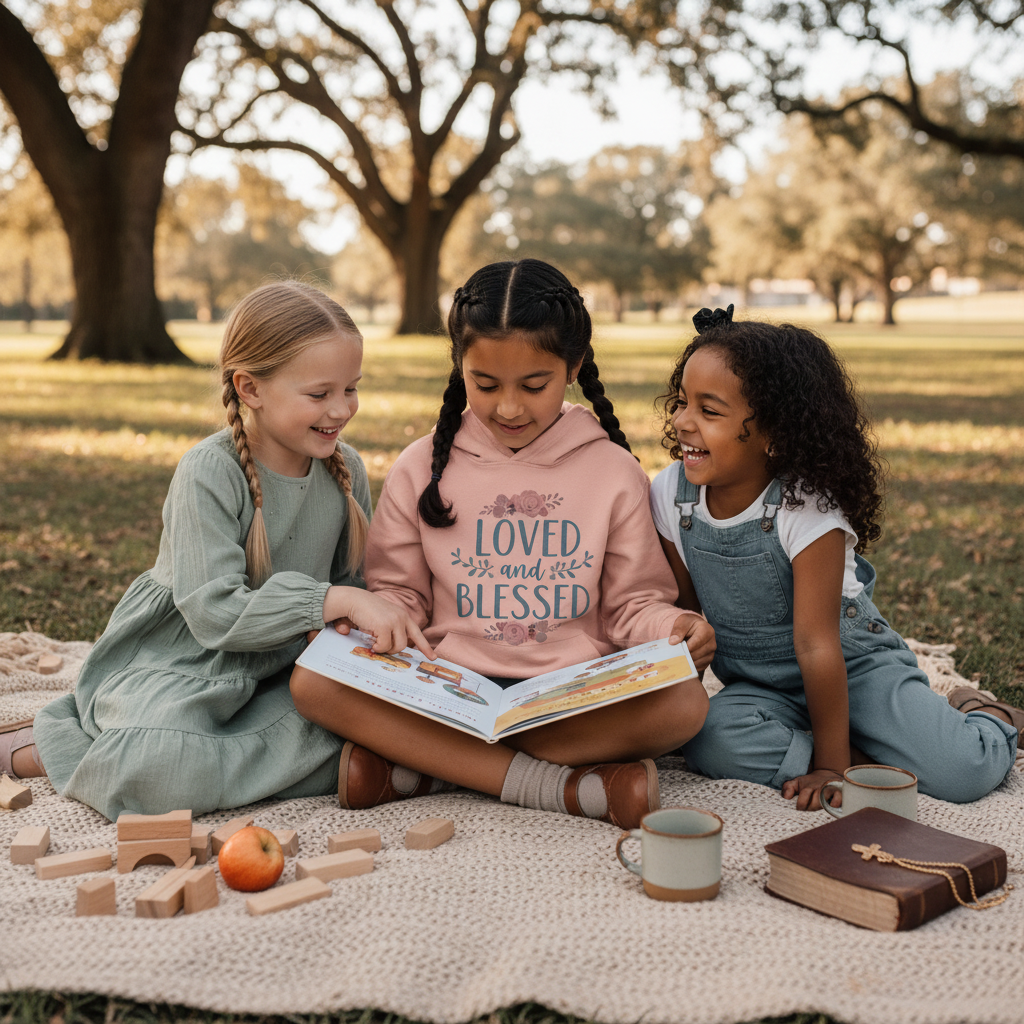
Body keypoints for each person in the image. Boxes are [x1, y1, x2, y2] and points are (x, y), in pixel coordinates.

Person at [290, 259, 714, 829]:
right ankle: (558, 787)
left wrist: (671, 629)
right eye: (484, 384)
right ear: (459, 367)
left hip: (565, 701)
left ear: (574, 368)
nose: (508, 407)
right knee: (314, 681)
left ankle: (430, 770)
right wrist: (372, 628)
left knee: (685, 703)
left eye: (533, 386)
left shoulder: (614, 471)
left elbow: (630, 605)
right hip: (447, 693)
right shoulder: (422, 467)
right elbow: (401, 597)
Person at [2, 281, 429, 821]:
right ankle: (52, 744)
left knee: (375, 714)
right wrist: (331, 602)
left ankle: (317, 757)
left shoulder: (346, 470)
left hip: (281, 667)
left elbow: (351, 587)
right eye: (320, 394)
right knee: (157, 767)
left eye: (352, 388)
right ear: (250, 387)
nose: (342, 409)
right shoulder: (210, 471)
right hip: (184, 662)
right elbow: (213, 612)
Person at [650, 306, 1022, 810]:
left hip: (854, 668)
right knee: (710, 739)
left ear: (775, 434)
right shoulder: (671, 494)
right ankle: (863, 751)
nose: (683, 421)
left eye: (709, 411)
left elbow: (817, 646)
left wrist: (828, 769)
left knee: (962, 772)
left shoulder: (807, 508)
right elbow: (688, 620)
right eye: (682, 402)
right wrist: (675, 714)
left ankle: (986, 717)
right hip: (762, 685)